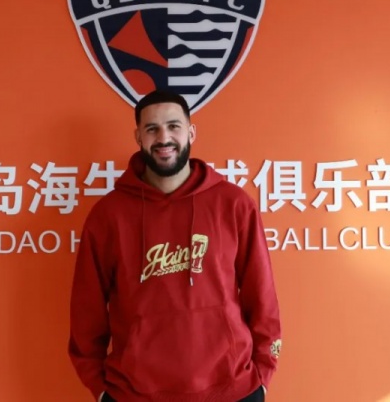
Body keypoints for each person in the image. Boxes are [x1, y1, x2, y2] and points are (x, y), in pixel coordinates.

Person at [69, 90, 281, 402]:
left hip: (231, 390)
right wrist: (98, 387)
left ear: (191, 132)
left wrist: (263, 372)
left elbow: (261, 294)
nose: (163, 138)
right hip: (134, 393)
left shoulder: (233, 204)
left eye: (173, 126)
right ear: (138, 137)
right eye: (152, 128)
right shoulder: (109, 215)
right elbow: (86, 308)